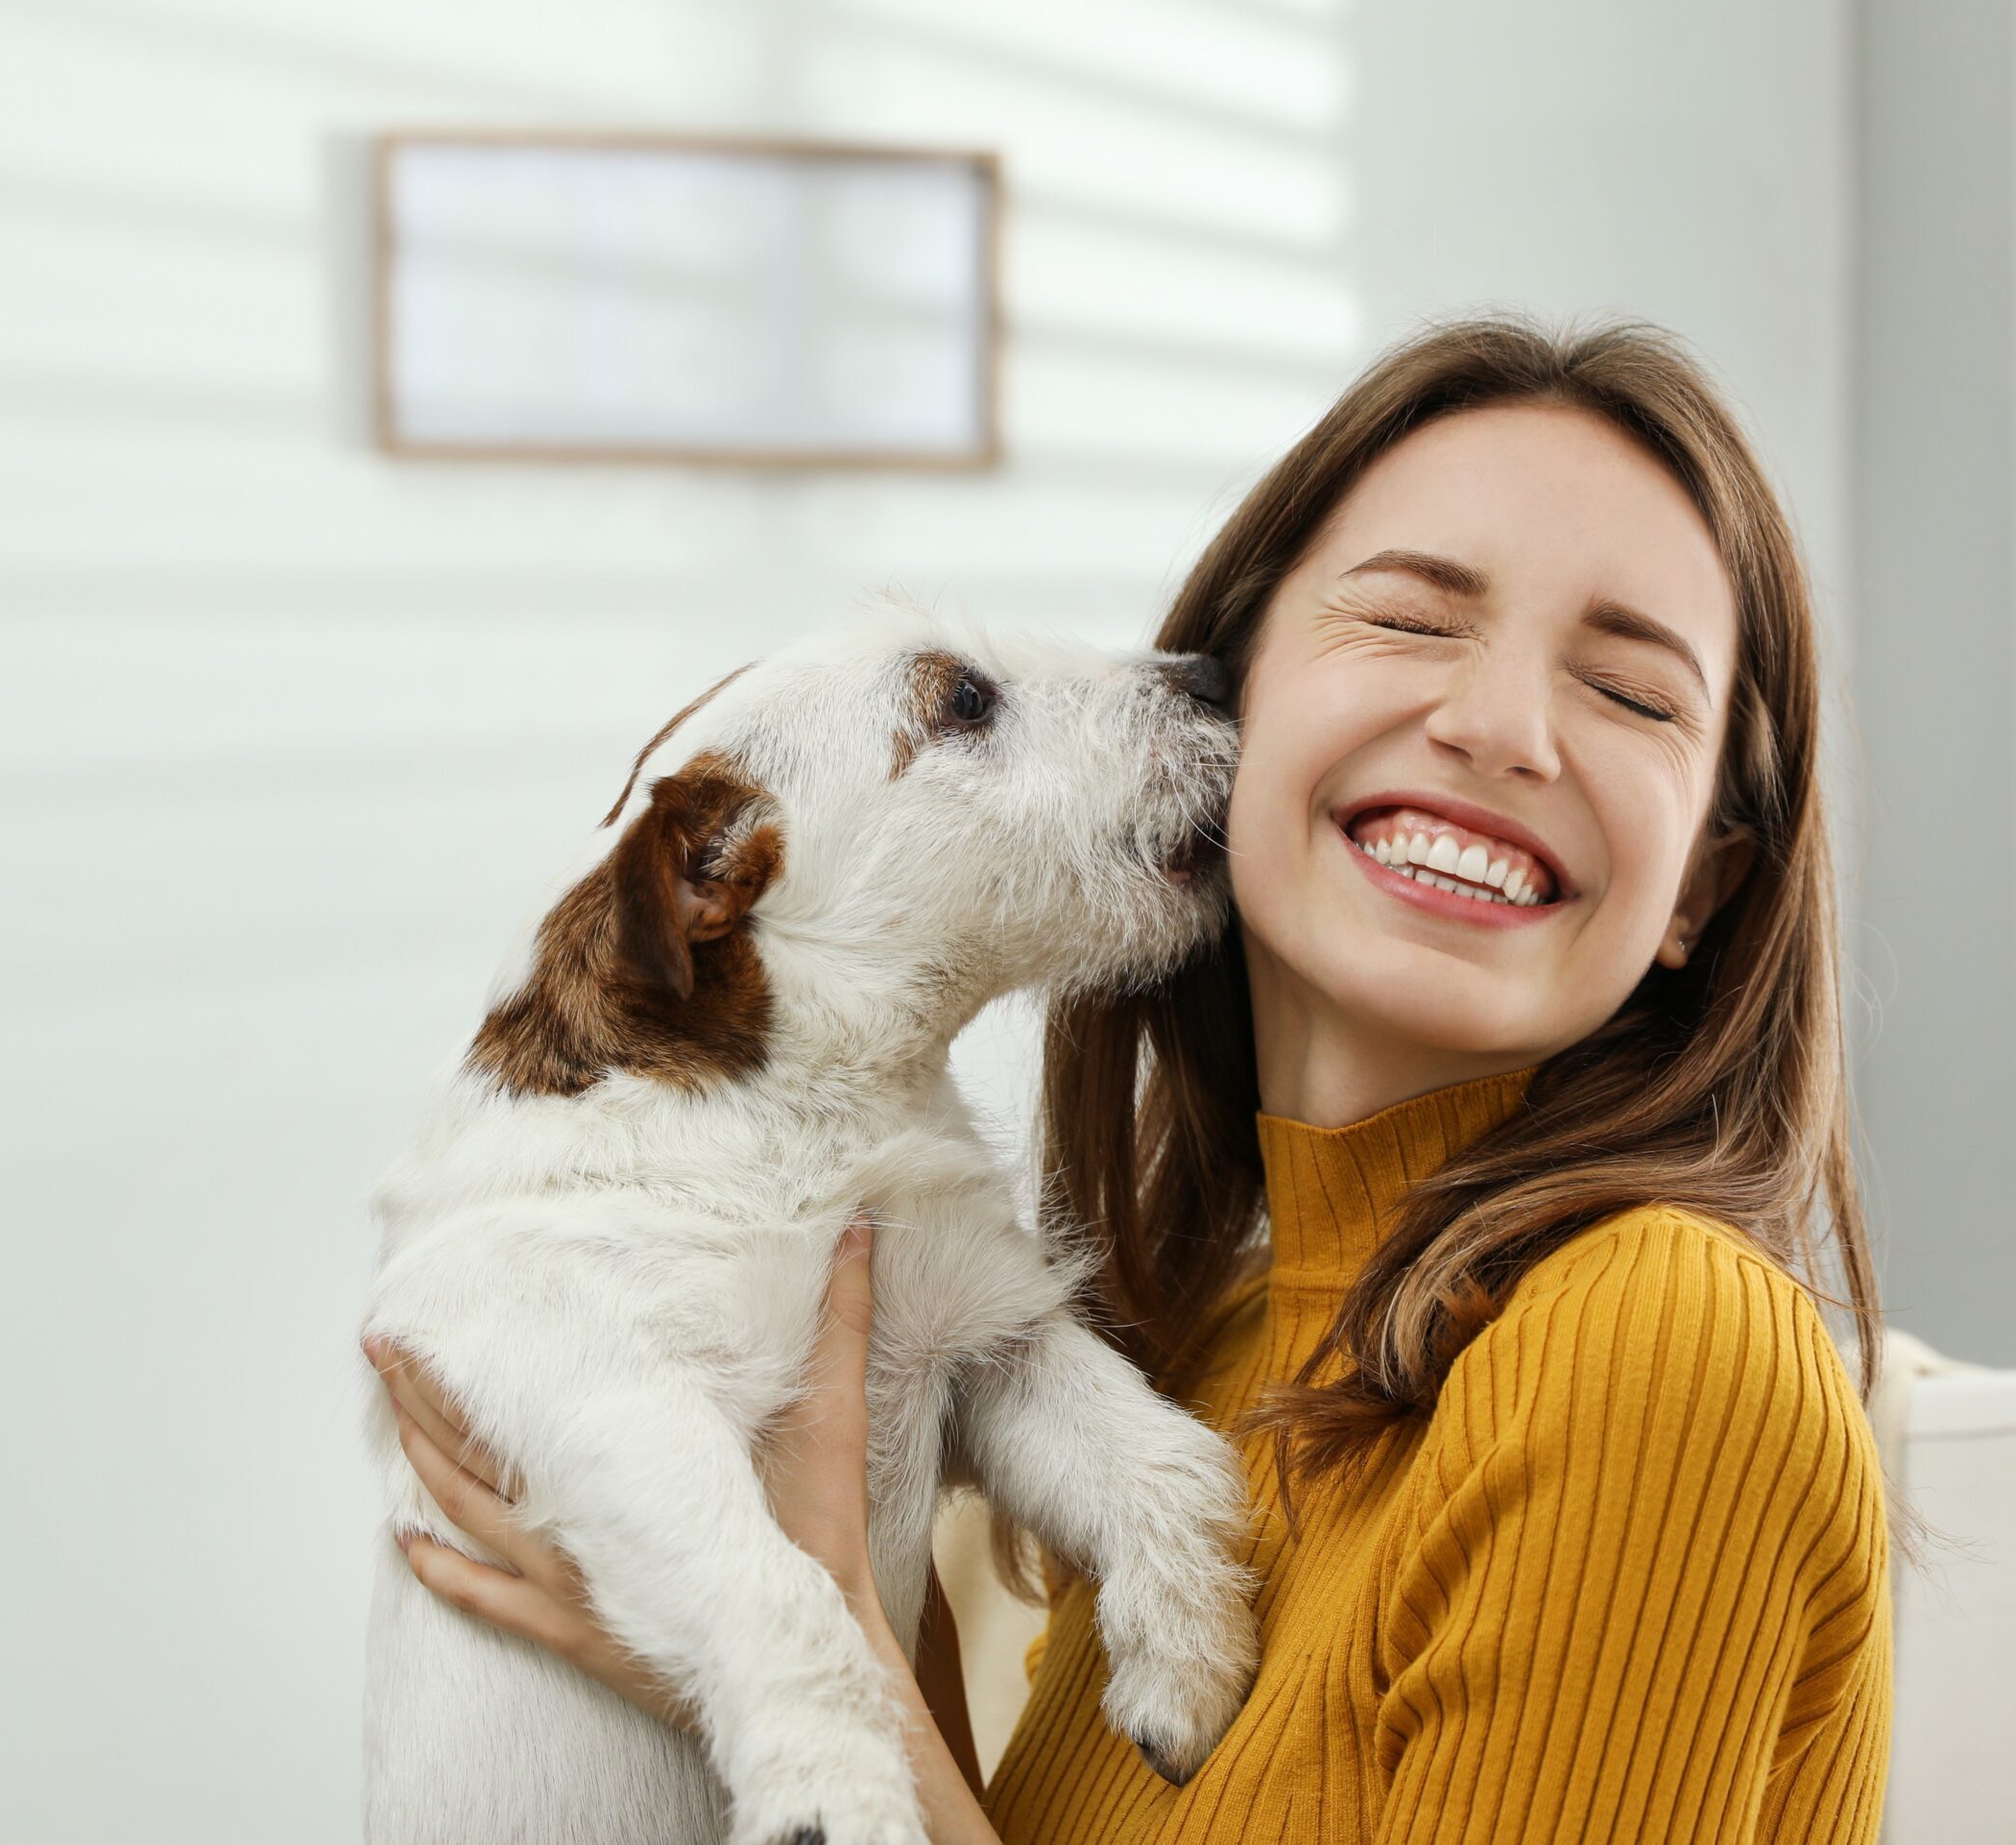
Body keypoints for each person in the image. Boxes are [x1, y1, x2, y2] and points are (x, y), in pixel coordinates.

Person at [366, 313, 1899, 1843]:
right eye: (1411, 618)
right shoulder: (1216, 1342)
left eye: (1632, 691)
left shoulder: (1660, 1344)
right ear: (1240, 686)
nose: (1499, 728)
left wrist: (816, 1643)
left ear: (1703, 886)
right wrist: (821, 1602)